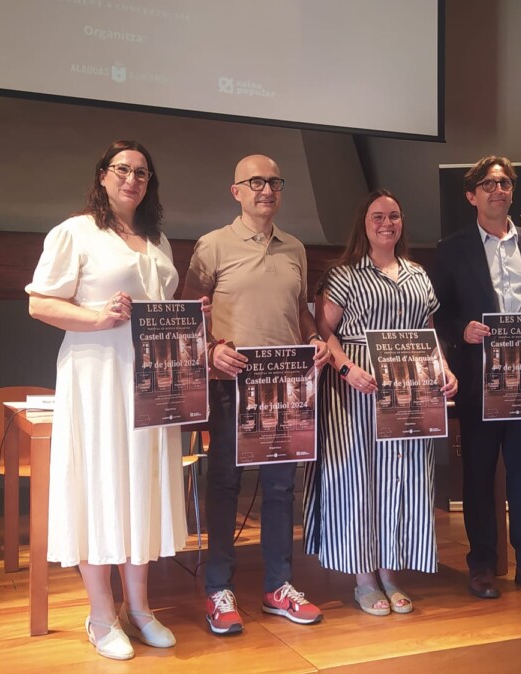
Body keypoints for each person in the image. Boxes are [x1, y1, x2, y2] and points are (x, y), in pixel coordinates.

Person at [26, 140, 185, 661]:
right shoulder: (75, 232)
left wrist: (188, 315)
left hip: (151, 382)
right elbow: (40, 303)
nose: (132, 179)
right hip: (98, 378)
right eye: (122, 170)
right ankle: (99, 615)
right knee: (100, 485)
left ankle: (138, 609)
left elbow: (157, 308)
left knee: (138, 486)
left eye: (141, 172)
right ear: (102, 176)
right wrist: (97, 317)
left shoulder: (156, 239)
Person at [183, 154, 330, 635]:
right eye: (256, 182)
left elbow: (302, 314)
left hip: (286, 388)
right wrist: (208, 352)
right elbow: (188, 317)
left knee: (281, 490)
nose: (266, 190)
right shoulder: (212, 247)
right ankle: (218, 591)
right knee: (224, 486)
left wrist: (313, 339)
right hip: (231, 388)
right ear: (237, 191)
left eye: (274, 182)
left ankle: (277, 588)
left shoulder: (295, 249)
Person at [429, 155, 521, 599]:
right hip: (478, 377)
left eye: (506, 183)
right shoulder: (451, 248)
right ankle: (482, 564)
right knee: (478, 474)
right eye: (490, 185)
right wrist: (462, 330)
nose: (500, 191)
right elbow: (438, 314)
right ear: (471, 196)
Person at [304, 190, 457, 616]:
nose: (386, 223)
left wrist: (445, 370)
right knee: (358, 481)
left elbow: (429, 333)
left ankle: (391, 571)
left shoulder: (418, 276)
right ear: (363, 223)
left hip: (410, 389)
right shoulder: (344, 275)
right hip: (357, 390)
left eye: (393, 215)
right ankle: (363, 577)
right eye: (377, 216)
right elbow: (322, 331)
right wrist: (347, 368)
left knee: (402, 478)